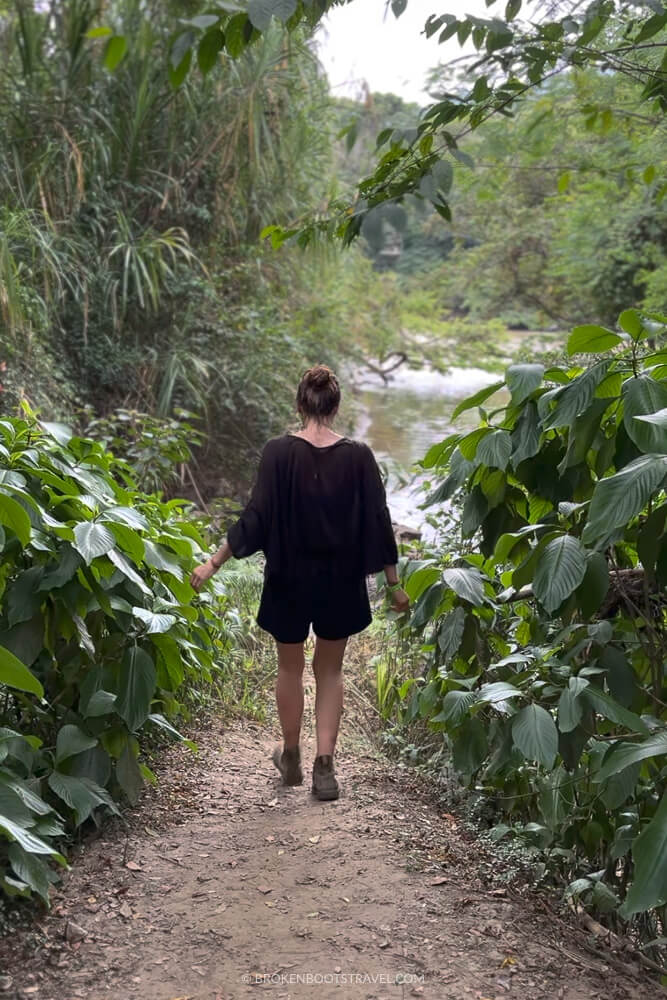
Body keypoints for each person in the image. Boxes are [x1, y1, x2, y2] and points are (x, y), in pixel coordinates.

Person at [190, 365, 410, 801]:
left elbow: (256, 517)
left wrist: (213, 562)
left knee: (289, 666)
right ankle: (324, 769)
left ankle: (290, 756)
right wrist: (393, 583)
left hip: (288, 578)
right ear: (336, 406)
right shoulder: (359, 456)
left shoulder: (277, 452)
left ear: (299, 403)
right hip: (340, 581)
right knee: (329, 670)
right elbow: (379, 520)